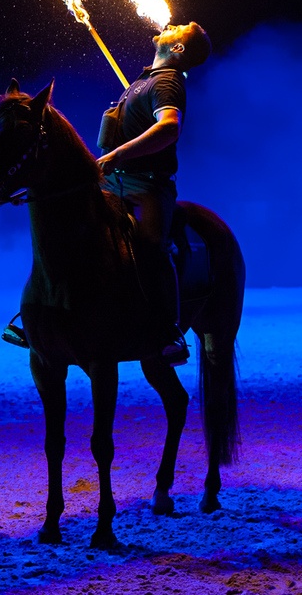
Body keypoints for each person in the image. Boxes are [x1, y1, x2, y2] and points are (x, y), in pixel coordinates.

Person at [97, 21, 212, 366]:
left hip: (147, 185)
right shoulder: (144, 81)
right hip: (111, 182)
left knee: (151, 250)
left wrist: (117, 154)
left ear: (177, 49)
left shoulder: (167, 82)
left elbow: (169, 127)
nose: (171, 24)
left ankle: (168, 331)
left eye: (180, 28)